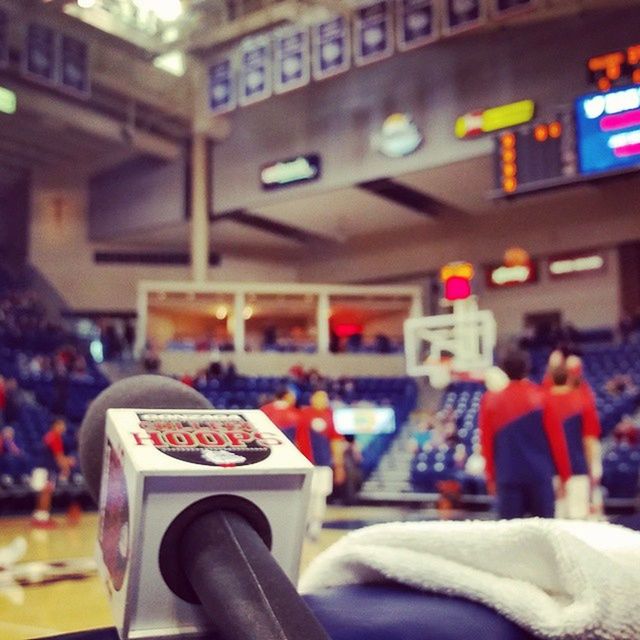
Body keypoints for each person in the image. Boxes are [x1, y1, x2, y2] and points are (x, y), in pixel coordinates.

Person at [479, 349, 571, 519]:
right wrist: (564, 476)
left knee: (511, 538)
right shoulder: (543, 398)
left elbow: (486, 444)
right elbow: (557, 441)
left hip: (507, 478)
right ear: (527, 368)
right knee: (544, 536)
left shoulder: (490, 401)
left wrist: (490, 477)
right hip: (540, 478)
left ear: (504, 369)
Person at [546, 363, 601, 519]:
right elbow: (589, 441)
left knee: (553, 526)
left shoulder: (541, 403)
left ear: (550, 378)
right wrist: (592, 470)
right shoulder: (582, 401)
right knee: (579, 524)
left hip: (549, 473)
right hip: (577, 470)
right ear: (569, 378)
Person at [297, 390, 345, 539]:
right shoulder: (303, 415)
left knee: (320, 496)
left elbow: (336, 442)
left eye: (325, 398)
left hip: (323, 465)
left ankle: (315, 527)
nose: (323, 400)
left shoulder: (329, 416)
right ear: (312, 398)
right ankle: (302, 526)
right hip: (306, 465)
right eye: (319, 397)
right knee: (306, 496)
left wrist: (339, 466)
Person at [31, 417, 76, 527]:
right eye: (60, 425)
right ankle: (43, 518)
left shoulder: (49, 436)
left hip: (42, 467)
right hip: (46, 469)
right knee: (47, 492)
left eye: (63, 425)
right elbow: (59, 457)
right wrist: (67, 465)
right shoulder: (55, 437)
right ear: (54, 426)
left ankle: (39, 516)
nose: (63, 427)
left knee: (43, 492)